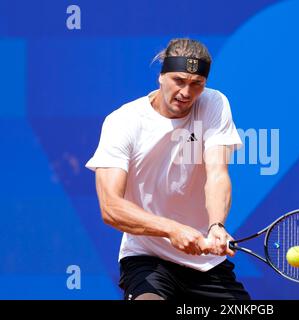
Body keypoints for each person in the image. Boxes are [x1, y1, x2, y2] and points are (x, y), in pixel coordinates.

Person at [85, 38, 250, 300]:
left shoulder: (214, 104)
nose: (186, 92)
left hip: (205, 264)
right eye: (179, 80)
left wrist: (216, 225)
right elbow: (110, 207)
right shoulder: (123, 122)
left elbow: (217, 174)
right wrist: (172, 229)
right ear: (161, 77)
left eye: (197, 84)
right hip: (147, 257)